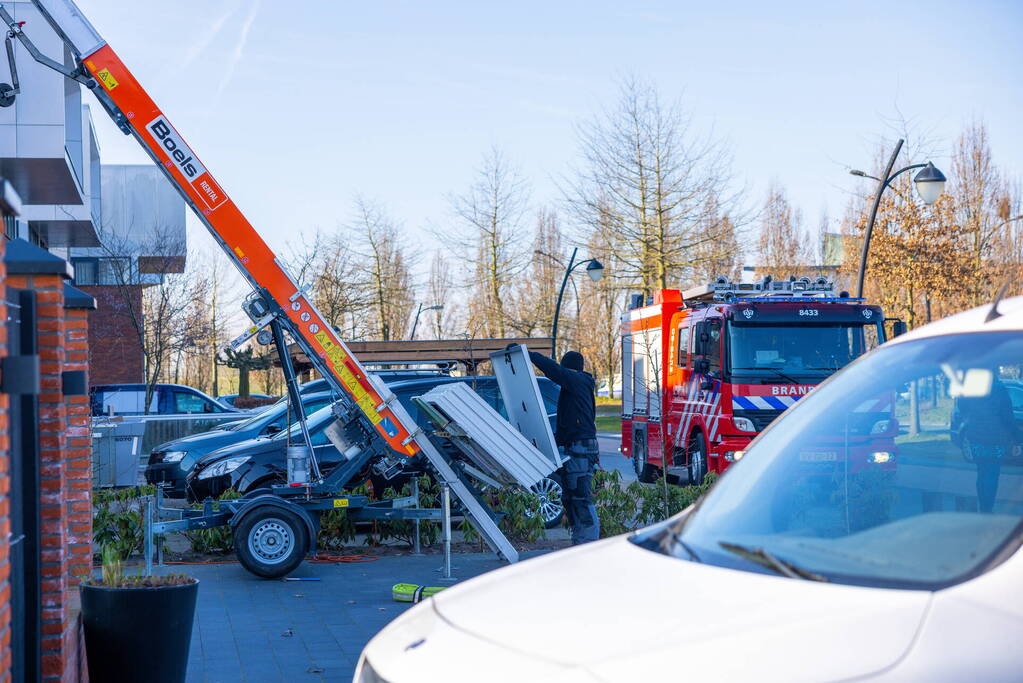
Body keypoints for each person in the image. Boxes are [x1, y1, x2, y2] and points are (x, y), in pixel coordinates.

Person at [523, 347, 600, 544]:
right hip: (575, 446)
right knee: (570, 496)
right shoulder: (574, 388)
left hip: (580, 447)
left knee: (580, 496)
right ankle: (580, 540)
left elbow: (554, 370)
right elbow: (569, 422)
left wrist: (530, 354)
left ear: (570, 369)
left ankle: (589, 542)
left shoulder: (578, 381)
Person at [959, 372, 1023, 513]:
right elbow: (1008, 419)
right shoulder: (1000, 390)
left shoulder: (972, 389)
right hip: (995, 440)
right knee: (992, 474)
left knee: (982, 472)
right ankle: (987, 509)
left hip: (976, 438)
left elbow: (962, 406)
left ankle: (983, 506)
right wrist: (1018, 440)